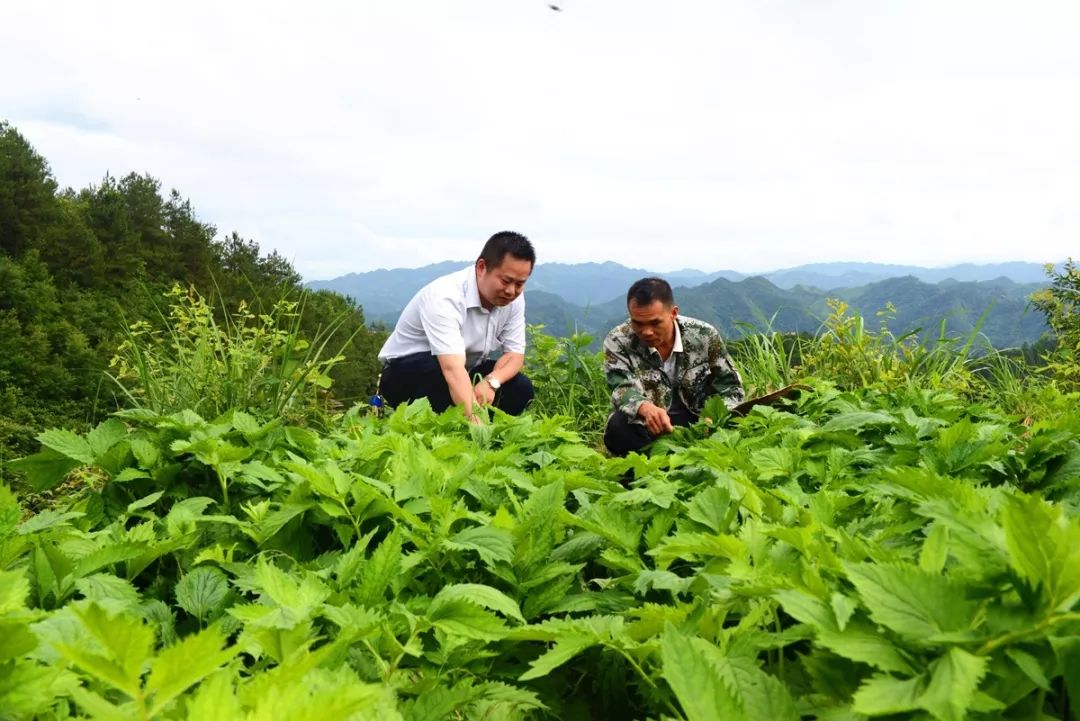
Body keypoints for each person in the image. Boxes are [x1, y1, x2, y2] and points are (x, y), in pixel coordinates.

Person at [377, 231, 536, 421]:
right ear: (482, 267)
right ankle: (468, 430)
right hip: (407, 373)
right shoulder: (445, 296)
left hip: (463, 368)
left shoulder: (513, 300)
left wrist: (491, 382)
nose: (511, 291)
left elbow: (514, 356)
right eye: (506, 281)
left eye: (520, 284)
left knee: (519, 387)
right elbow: (451, 368)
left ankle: (484, 428)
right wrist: (476, 428)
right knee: (439, 379)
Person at [603, 277, 744, 456]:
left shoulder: (703, 335)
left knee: (737, 423)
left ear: (673, 313)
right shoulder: (618, 341)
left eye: (655, 322)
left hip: (699, 418)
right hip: (650, 424)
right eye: (637, 323)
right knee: (618, 429)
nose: (646, 331)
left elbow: (730, 388)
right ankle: (654, 469)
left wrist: (713, 419)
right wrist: (645, 409)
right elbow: (621, 388)